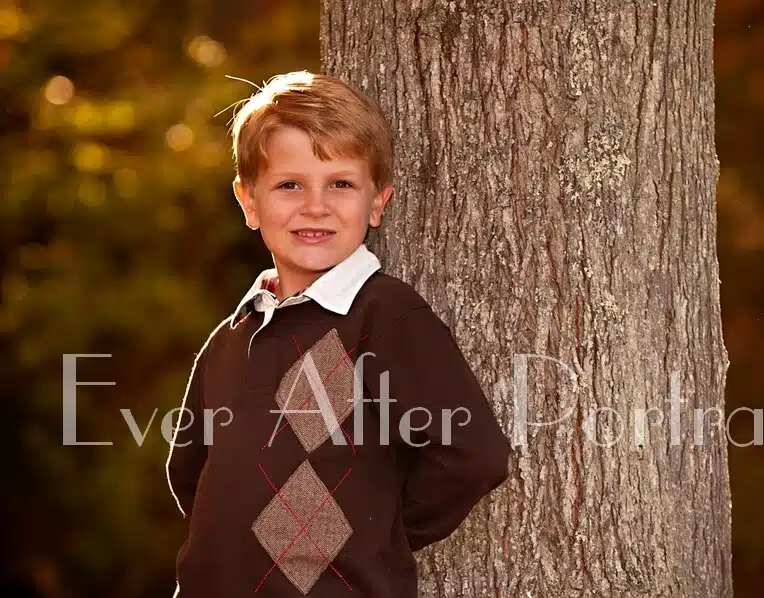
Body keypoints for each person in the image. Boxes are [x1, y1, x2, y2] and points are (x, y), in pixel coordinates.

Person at [165, 70, 512, 598]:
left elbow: (470, 454)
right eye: (289, 184)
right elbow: (191, 466)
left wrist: (366, 535)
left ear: (377, 201)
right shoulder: (235, 333)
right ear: (249, 201)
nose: (315, 206)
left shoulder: (383, 317)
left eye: (341, 184)